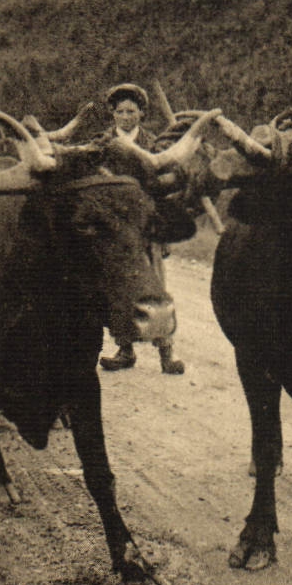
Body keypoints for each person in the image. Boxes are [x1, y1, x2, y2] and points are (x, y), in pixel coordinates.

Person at [97, 82, 186, 376]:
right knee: (119, 286)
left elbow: (167, 184)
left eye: (131, 112)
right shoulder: (101, 144)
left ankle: (166, 351)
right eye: (120, 112)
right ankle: (125, 348)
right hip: (115, 228)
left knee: (157, 283)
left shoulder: (154, 144)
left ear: (141, 114)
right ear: (113, 114)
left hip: (146, 224)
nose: (125, 117)